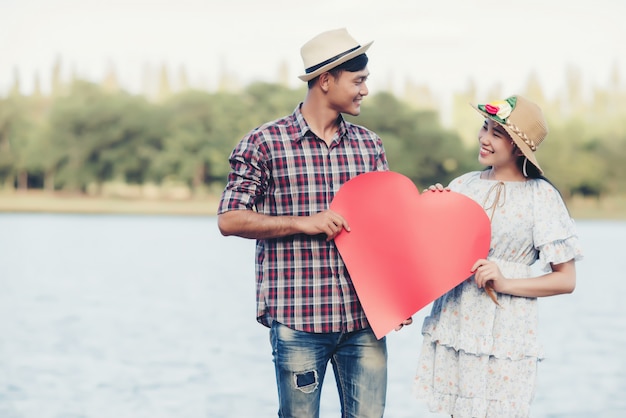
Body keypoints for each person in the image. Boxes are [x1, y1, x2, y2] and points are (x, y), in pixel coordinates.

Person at [217, 28, 410, 417]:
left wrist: (396, 297)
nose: (364, 90)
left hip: (364, 323)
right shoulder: (264, 143)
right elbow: (229, 218)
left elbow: (385, 231)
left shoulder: (369, 145)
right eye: (358, 81)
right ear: (325, 81)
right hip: (299, 321)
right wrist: (303, 223)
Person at [413, 95, 583, 417]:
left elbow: (566, 280)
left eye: (496, 133)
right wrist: (432, 208)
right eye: (484, 127)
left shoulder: (541, 196)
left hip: (508, 332)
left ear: (518, 147)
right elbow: (433, 260)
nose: (483, 138)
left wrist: (504, 281)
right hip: (457, 324)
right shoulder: (462, 186)